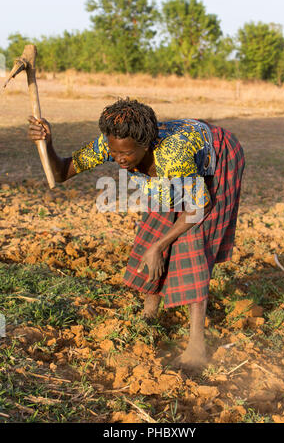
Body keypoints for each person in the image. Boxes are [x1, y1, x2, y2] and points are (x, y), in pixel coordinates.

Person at [28, 98, 245, 371]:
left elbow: (199, 207)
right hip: (176, 165)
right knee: (156, 224)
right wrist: (47, 143)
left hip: (219, 155)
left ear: (147, 144)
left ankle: (196, 345)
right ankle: (149, 317)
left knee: (191, 243)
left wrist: (159, 247)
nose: (119, 160)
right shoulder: (115, 142)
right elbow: (60, 173)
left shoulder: (172, 156)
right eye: (114, 151)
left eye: (127, 155)